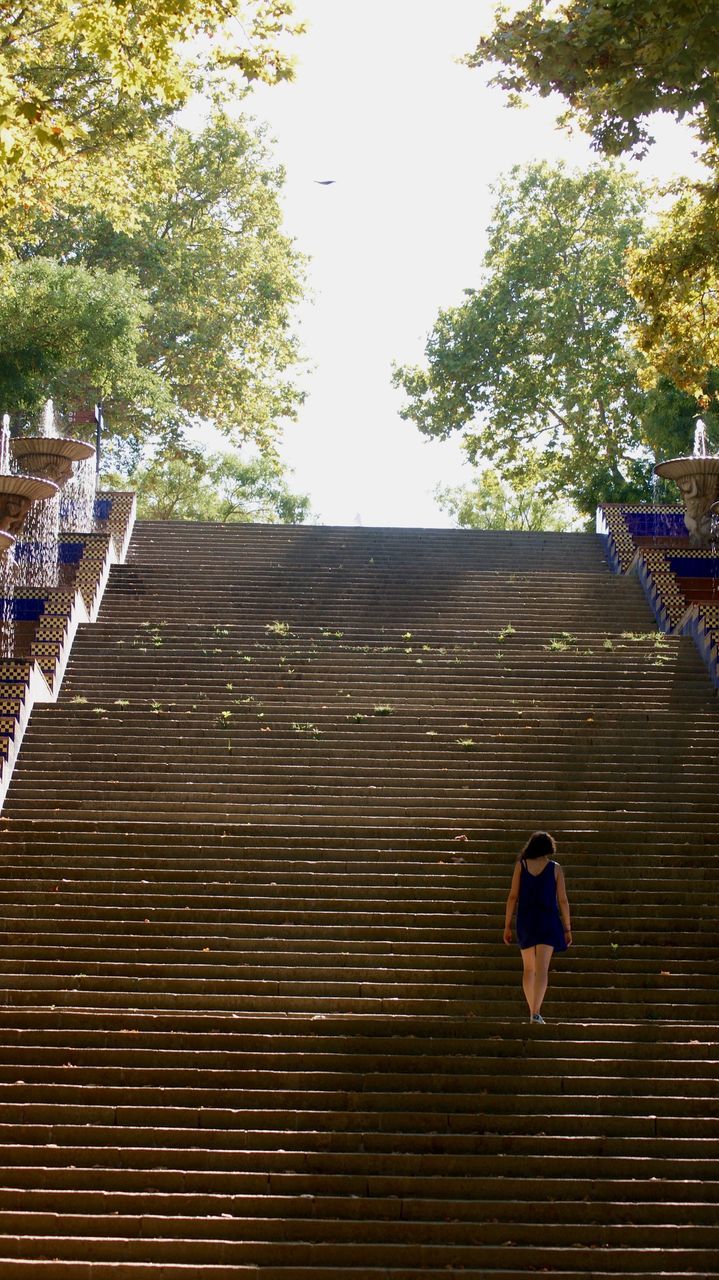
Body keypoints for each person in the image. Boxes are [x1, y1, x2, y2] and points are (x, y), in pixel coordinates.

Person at [503, 831, 572, 1024]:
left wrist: (507, 925)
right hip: (548, 920)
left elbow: (512, 897)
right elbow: (563, 900)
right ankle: (536, 1012)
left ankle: (531, 1012)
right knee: (542, 969)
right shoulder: (555, 868)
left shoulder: (521, 865)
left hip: (526, 920)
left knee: (528, 969)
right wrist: (567, 927)